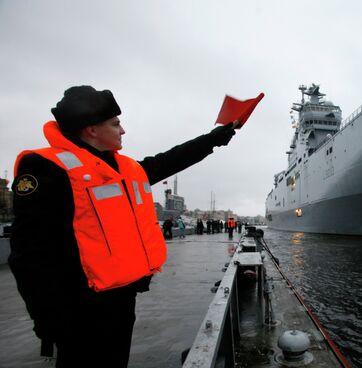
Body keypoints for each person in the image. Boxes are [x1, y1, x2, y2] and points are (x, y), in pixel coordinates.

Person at [9, 85, 236, 368]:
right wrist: (48, 320)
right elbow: (29, 254)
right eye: (116, 124)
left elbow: (169, 161)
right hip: (78, 307)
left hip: (120, 296)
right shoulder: (48, 169)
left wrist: (213, 139)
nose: (123, 130)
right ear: (91, 129)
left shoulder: (122, 168)